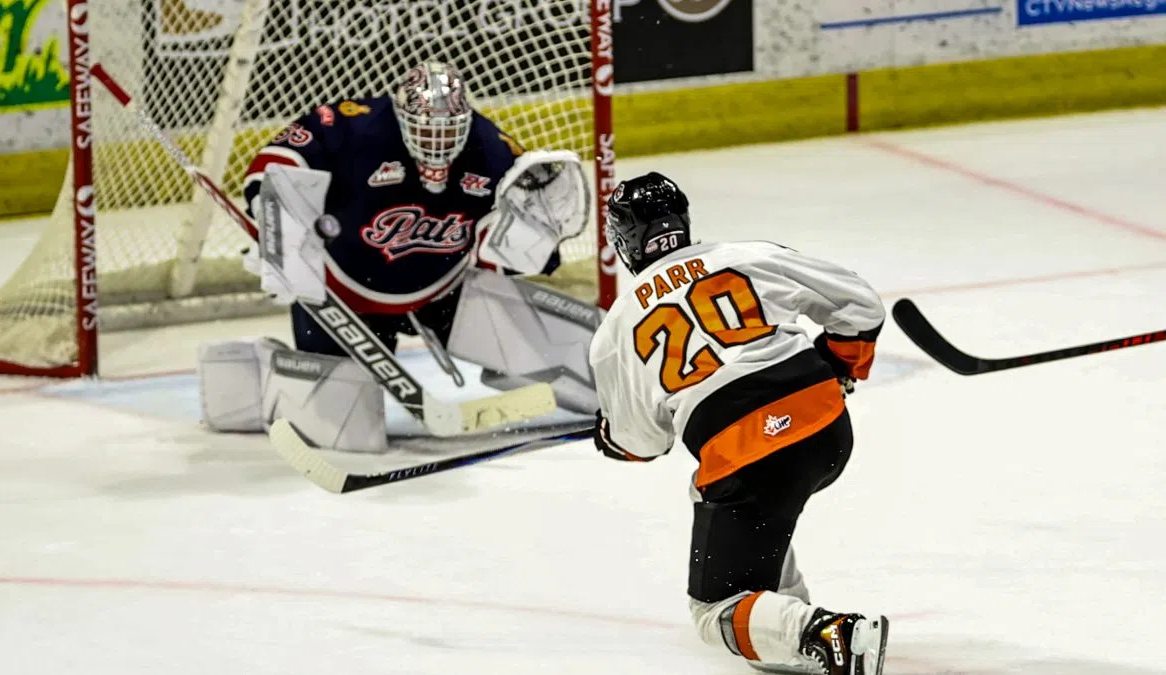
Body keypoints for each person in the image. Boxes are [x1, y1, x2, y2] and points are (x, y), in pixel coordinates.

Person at [588, 172, 889, 674]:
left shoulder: (616, 329)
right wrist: (840, 362)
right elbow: (859, 305)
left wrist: (610, 438)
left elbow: (642, 440)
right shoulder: (744, 254)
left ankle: (829, 635)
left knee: (714, 611)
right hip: (826, 428)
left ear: (624, 241)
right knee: (746, 512)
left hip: (749, 458)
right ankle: (788, 629)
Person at [241, 60, 561, 356]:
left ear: (467, 121)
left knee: (530, 352)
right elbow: (279, 161)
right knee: (344, 405)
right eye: (425, 129)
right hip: (341, 297)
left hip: (443, 294)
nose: (438, 141)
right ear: (400, 115)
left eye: (449, 130)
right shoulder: (354, 127)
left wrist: (538, 247)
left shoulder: (491, 147)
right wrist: (275, 231)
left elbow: (530, 220)